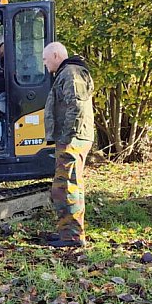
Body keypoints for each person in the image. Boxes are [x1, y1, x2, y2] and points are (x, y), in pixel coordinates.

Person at [42, 42, 95, 248]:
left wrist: (66, 136)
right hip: (72, 137)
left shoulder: (71, 73)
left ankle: (72, 238)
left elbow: (76, 106)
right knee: (70, 186)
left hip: (72, 138)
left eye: (46, 59)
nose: (45, 64)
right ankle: (69, 233)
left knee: (67, 187)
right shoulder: (68, 72)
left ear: (56, 55)